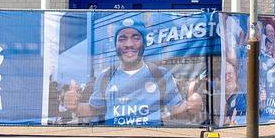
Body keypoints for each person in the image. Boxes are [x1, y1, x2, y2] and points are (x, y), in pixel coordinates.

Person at [58, 18, 203, 127]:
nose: (129, 44)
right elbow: (94, 110)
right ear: (116, 45)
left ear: (144, 43)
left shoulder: (160, 74)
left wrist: (191, 106)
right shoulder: (105, 77)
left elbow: (178, 112)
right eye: (122, 38)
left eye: (135, 38)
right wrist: (75, 106)